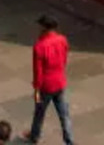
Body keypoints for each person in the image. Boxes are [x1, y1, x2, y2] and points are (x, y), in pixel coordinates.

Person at [23, 15, 73, 145]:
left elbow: (38, 72)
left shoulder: (39, 46)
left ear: (44, 27)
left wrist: (36, 89)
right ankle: (69, 140)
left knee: (39, 112)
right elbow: (64, 59)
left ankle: (35, 136)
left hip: (46, 86)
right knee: (64, 114)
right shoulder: (62, 40)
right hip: (60, 82)